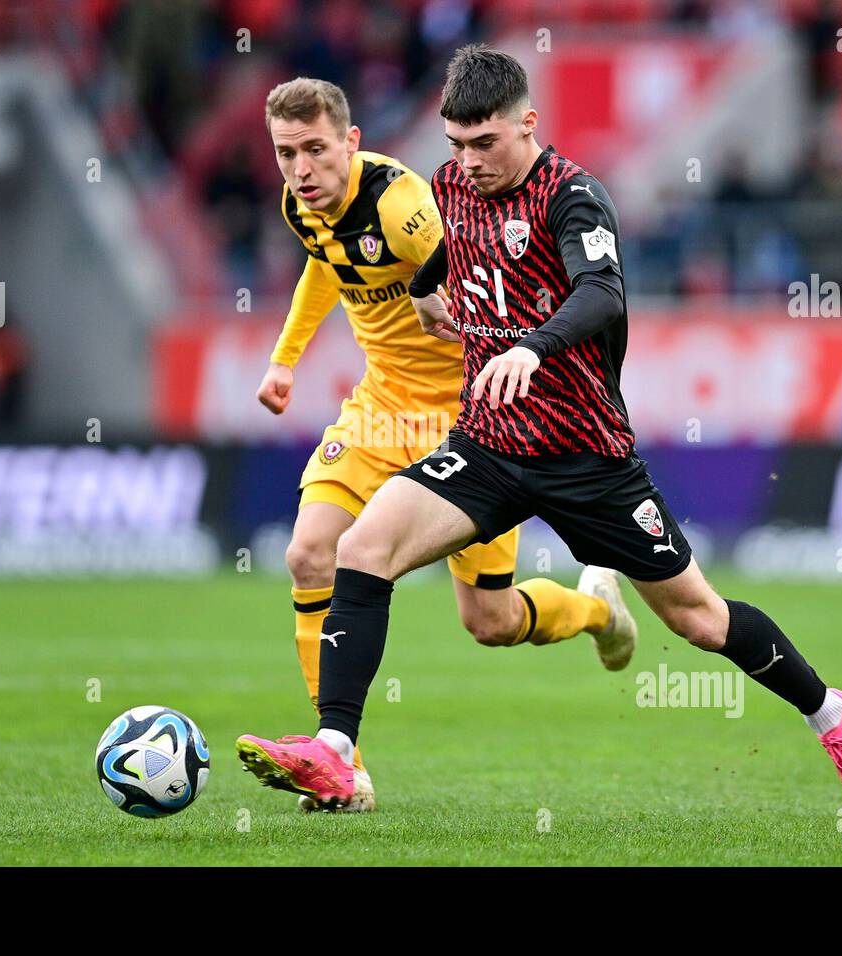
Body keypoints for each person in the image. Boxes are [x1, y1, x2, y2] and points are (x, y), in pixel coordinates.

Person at [237, 47, 842, 818]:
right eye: (456, 145)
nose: (469, 162)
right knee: (358, 549)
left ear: (528, 124)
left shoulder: (573, 198)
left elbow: (602, 293)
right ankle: (337, 754)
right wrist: (422, 292)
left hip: (586, 456)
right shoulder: (452, 186)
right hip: (485, 445)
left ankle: (835, 717)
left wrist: (531, 345)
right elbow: (450, 247)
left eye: (485, 144)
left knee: (697, 618)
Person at [249, 76, 639, 812]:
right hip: (380, 407)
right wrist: (285, 358)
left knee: (486, 622)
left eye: (315, 150)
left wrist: (494, 333)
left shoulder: (405, 207)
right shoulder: (300, 205)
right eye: (285, 153)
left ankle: (596, 608)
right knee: (309, 553)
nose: (301, 170)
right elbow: (323, 266)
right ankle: (342, 769)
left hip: (468, 418)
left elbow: (477, 264)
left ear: (351, 142)